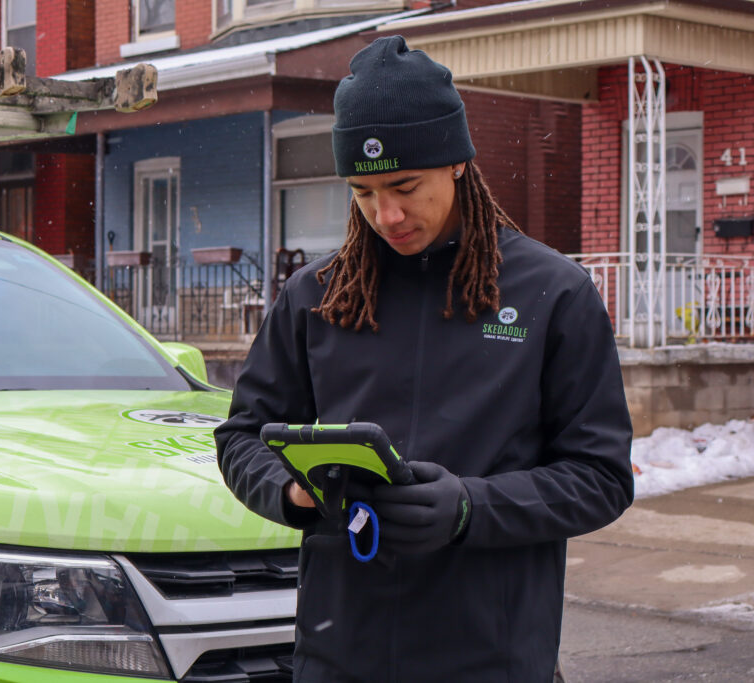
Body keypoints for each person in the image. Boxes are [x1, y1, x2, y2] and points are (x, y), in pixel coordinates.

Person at [214, 36, 633, 682]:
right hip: (341, 656)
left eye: (405, 185)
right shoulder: (315, 299)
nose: (387, 214)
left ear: (457, 161)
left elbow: (601, 475)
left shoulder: (554, 294)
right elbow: (242, 435)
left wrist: (472, 506)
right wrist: (292, 491)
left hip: (492, 657)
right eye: (362, 192)